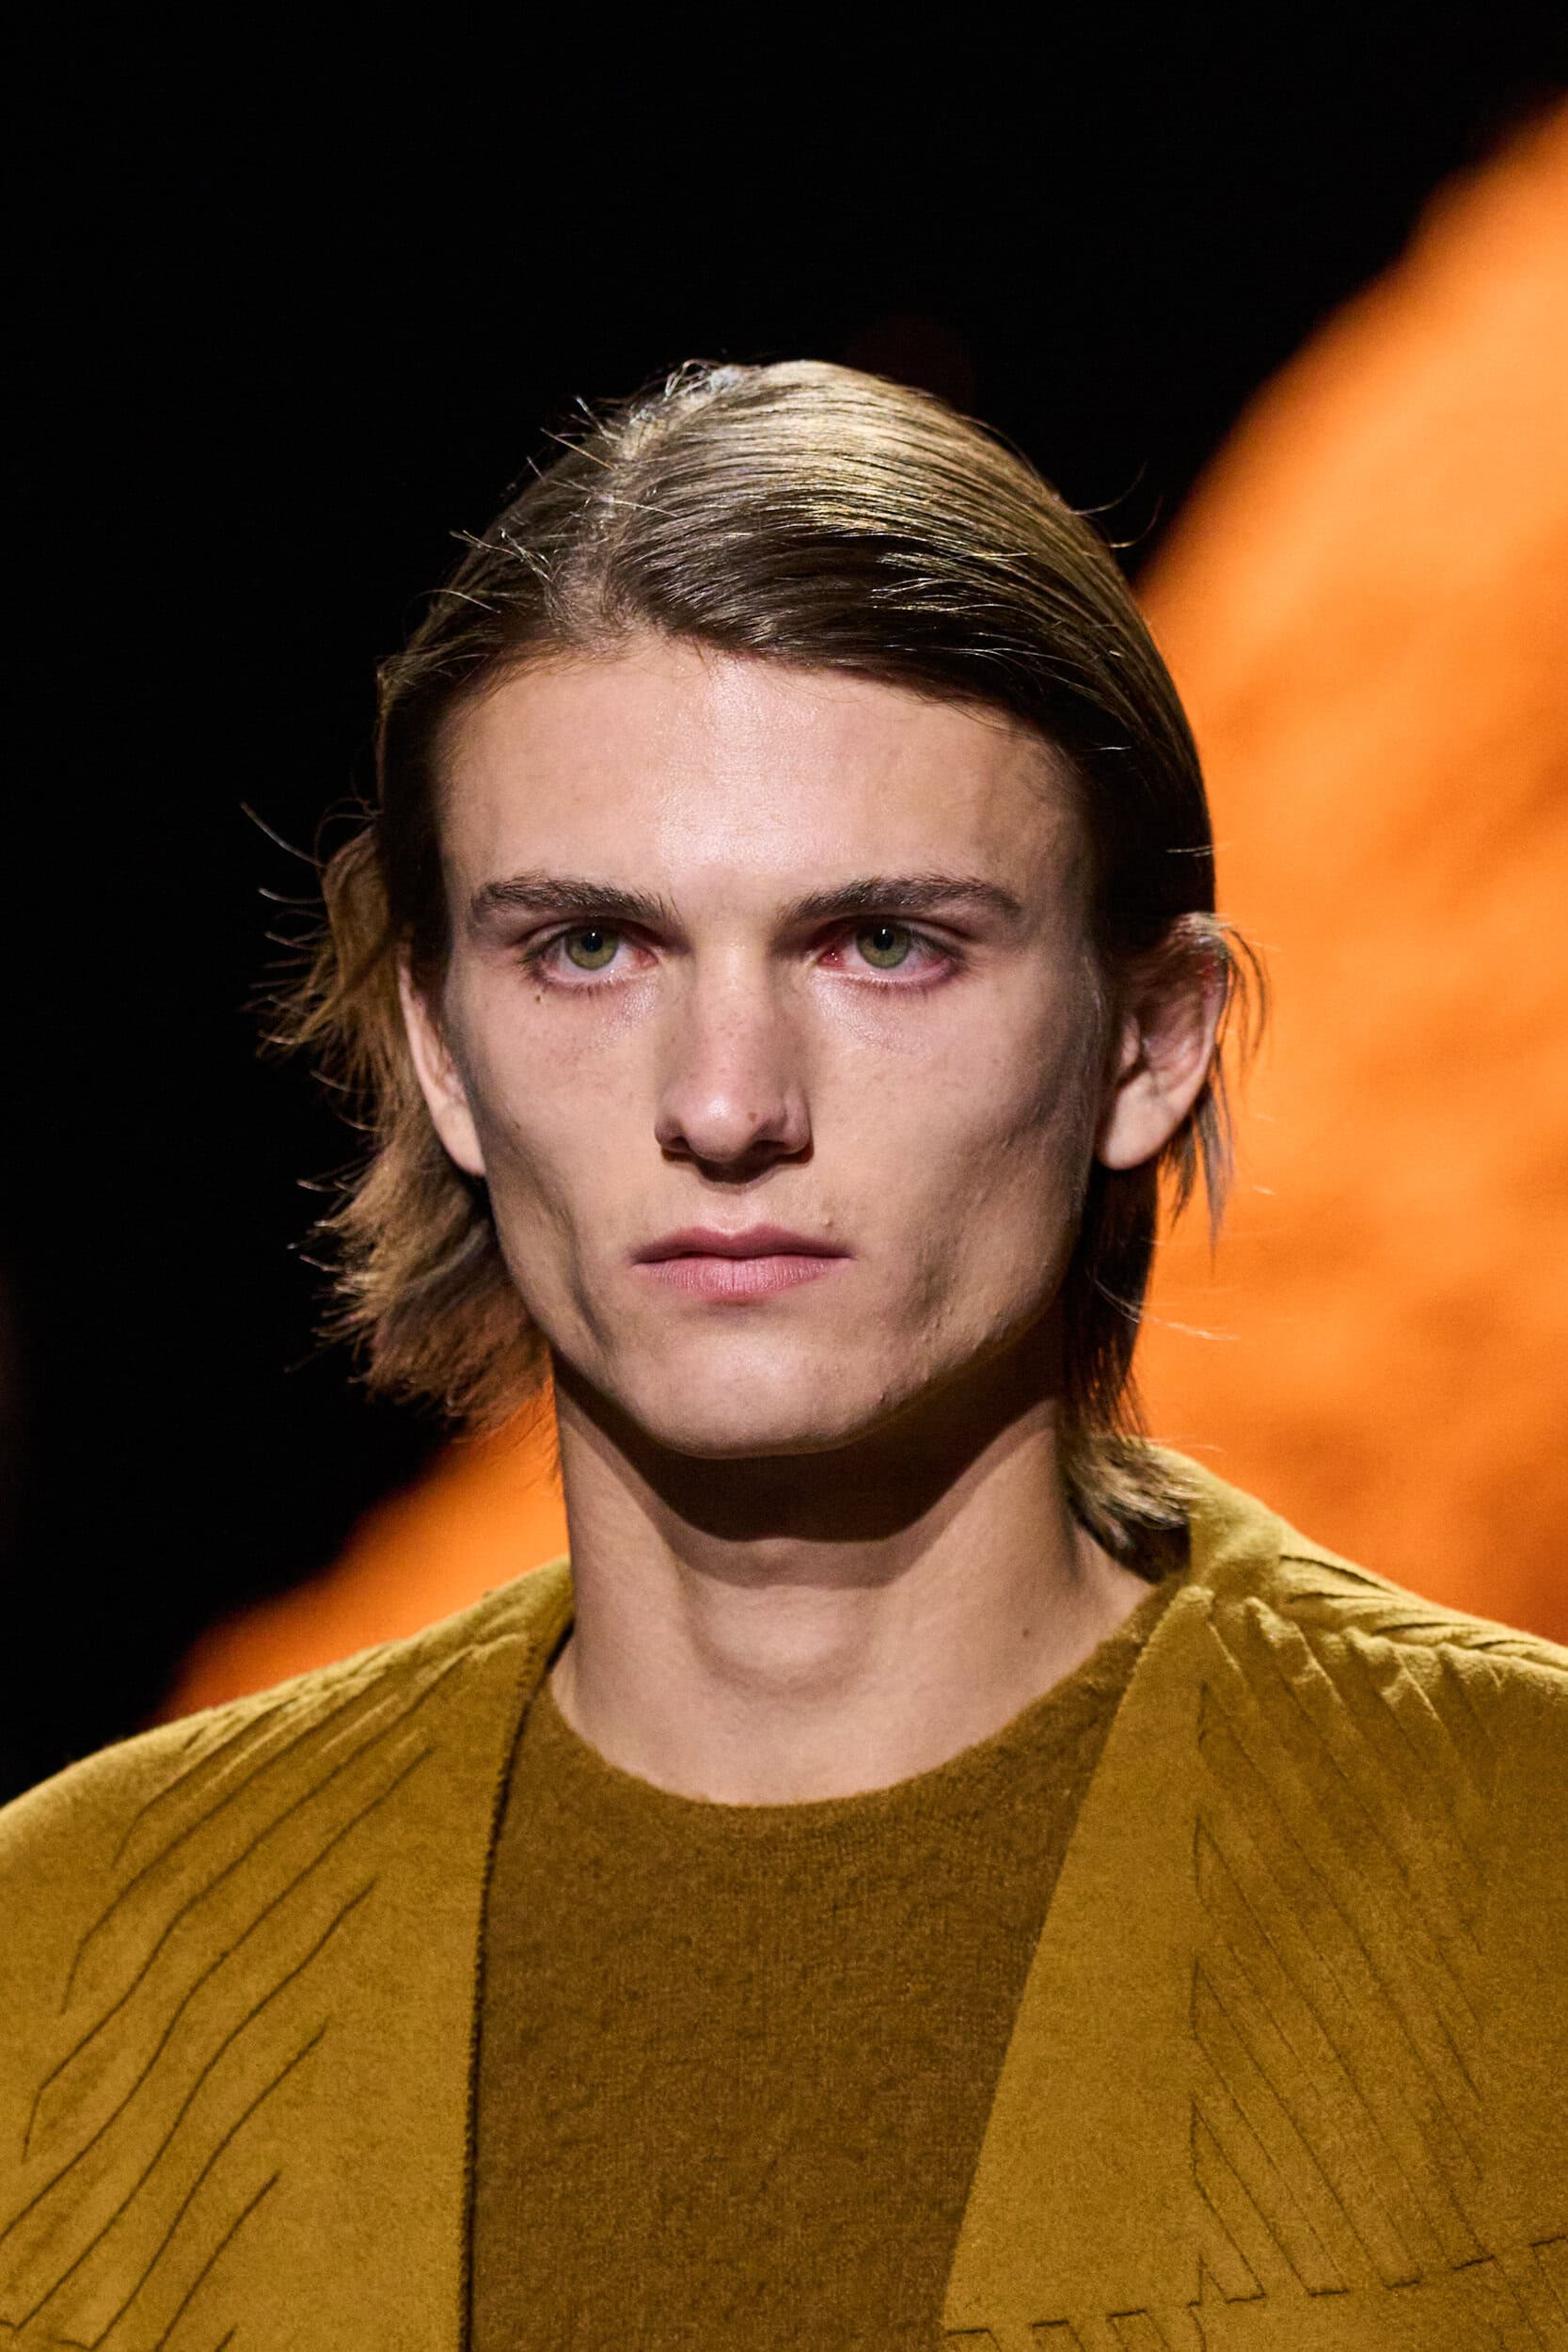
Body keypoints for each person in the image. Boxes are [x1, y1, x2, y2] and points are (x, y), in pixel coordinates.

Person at [2, 363, 1561, 2351]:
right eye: (592, 947)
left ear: (1151, 1040)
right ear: (442, 1054)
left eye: (884, 943)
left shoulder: (1529, 1890)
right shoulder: (75, 1968)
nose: (728, 1105)